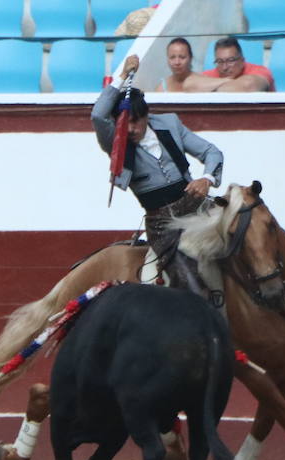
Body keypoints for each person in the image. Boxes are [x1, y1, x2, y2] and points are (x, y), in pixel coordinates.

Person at [94, 53, 224, 299]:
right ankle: (200, 308)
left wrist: (207, 178)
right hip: (163, 221)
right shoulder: (116, 141)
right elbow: (97, 115)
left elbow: (210, 151)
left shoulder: (169, 124)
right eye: (125, 124)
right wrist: (122, 77)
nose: (130, 130)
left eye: (135, 122)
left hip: (196, 205)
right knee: (185, 268)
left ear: (147, 116)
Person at [200, 35, 275, 91]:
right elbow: (191, 85)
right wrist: (226, 80)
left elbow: (249, 86)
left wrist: (209, 89)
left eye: (230, 60)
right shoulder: (212, 73)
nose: (224, 67)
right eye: (220, 61)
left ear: (242, 61)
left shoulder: (261, 71)